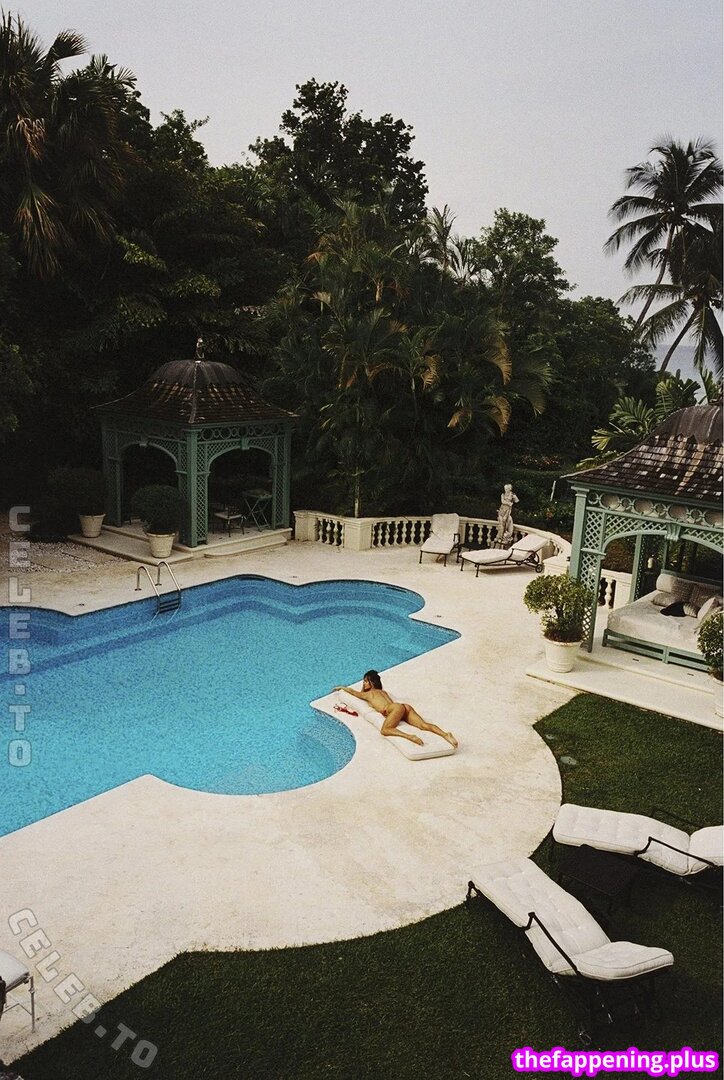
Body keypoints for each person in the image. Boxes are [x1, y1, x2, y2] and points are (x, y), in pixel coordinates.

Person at [333, 670, 458, 748]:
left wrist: (341, 687)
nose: (364, 683)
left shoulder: (368, 694)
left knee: (385, 730)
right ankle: (445, 734)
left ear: (372, 683)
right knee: (423, 725)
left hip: (394, 709)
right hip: (403, 707)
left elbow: (353, 692)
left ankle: (411, 737)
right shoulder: (382, 692)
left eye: (366, 681)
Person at [496, 483, 519, 547]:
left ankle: (505, 536)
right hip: (502, 509)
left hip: (508, 510)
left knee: (507, 521)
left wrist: (514, 497)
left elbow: (517, 501)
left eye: (507, 489)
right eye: (505, 489)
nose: (505, 490)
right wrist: (509, 503)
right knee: (501, 523)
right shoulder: (503, 494)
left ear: (510, 489)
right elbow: (502, 501)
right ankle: (501, 537)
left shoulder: (512, 495)